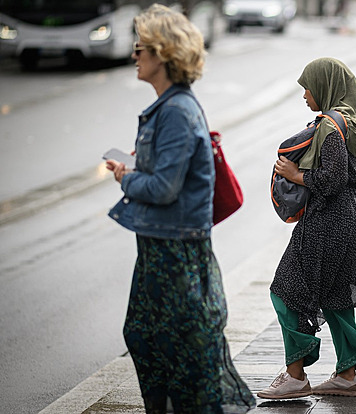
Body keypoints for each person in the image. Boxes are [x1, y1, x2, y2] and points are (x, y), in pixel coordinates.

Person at [105, 4, 255, 413]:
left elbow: (164, 188)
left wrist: (125, 178)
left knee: (181, 348)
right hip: (161, 244)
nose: (135, 55)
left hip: (175, 250)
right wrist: (137, 167)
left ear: (163, 54)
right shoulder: (170, 108)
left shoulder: (175, 111)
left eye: (142, 49)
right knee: (151, 338)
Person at [258, 57, 356, 399]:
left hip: (331, 219)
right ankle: (347, 376)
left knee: (285, 289)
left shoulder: (329, 128)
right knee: (336, 296)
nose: (305, 95)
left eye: (308, 87)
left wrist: (295, 176)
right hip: (353, 216)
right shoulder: (348, 120)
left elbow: (332, 180)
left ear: (324, 86)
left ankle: (295, 374)